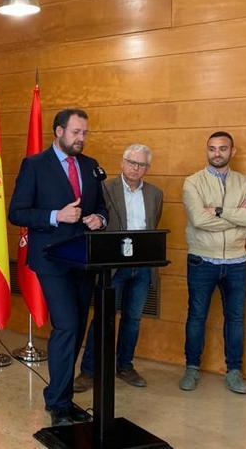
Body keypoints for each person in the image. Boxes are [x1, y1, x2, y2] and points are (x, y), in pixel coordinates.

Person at [8, 108, 107, 426]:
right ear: (58, 131)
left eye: (85, 133)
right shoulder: (35, 165)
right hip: (51, 259)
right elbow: (17, 212)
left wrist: (99, 218)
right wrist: (55, 216)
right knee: (66, 325)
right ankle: (59, 403)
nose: (81, 138)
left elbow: (101, 207)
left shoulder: (90, 166)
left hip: (83, 259)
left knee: (77, 325)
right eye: (76, 132)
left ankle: (62, 393)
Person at [73, 144, 164, 393]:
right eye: (131, 162)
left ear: (148, 168)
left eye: (141, 164)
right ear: (122, 162)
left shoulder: (156, 194)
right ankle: (89, 371)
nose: (135, 168)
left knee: (133, 319)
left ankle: (124, 365)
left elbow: (152, 225)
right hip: (111, 267)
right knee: (103, 318)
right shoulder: (104, 188)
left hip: (142, 268)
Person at [179, 131, 246, 394]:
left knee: (235, 319)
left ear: (232, 151)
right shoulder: (192, 182)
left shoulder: (245, 182)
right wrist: (240, 215)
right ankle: (191, 368)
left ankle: (234, 371)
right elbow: (199, 220)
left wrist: (218, 210)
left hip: (237, 261)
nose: (217, 153)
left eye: (223, 149)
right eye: (212, 149)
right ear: (207, 151)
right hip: (202, 260)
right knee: (196, 317)